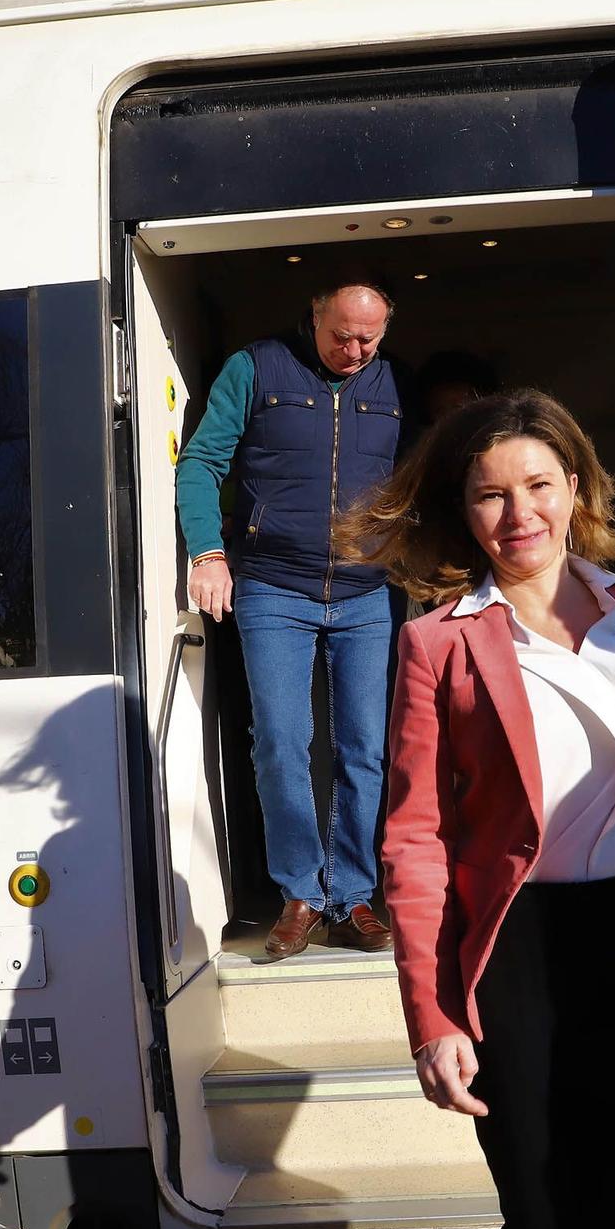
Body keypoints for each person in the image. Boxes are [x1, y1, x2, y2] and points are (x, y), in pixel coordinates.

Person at [339, 389, 615, 1229]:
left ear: (576, 486)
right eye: (490, 494)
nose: (518, 513)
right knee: (544, 1226)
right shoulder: (435, 645)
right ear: (464, 510)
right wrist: (433, 1017)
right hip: (518, 951)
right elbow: (414, 839)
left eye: (538, 484)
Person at [176, 280, 406, 960]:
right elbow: (201, 461)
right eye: (343, 334)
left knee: (364, 748)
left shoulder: (396, 383)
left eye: (369, 338)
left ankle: (355, 896)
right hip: (274, 586)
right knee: (282, 742)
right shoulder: (255, 367)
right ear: (314, 313)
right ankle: (300, 893)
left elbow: (425, 481)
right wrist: (208, 552)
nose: (355, 350)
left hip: (368, 593)